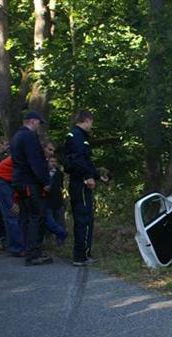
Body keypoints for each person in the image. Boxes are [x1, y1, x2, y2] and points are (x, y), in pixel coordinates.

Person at [64, 110, 107, 266]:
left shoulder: (78, 137)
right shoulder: (76, 136)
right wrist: (87, 177)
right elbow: (78, 160)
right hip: (80, 184)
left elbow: (85, 161)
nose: (91, 126)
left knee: (85, 217)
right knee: (84, 218)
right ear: (87, 120)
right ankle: (81, 255)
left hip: (81, 181)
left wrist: (96, 175)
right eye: (91, 122)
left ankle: (82, 253)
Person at [10, 111, 52, 266]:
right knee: (36, 216)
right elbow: (35, 161)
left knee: (26, 217)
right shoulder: (28, 137)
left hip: (19, 181)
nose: (38, 127)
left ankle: (29, 250)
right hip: (30, 182)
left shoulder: (16, 137)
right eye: (38, 123)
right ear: (33, 122)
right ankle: (34, 253)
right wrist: (45, 181)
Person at [0, 155, 25, 256]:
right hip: (3, 180)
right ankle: (17, 248)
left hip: (6, 180)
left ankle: (17, 245)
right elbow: (18, 180)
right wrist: (14, 200)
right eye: (49, 150)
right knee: (12, 214)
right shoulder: (26, 157)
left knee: (14, 216)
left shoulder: (28, 154)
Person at [44, 145, 67, 245]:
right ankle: (48, 238)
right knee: (49, 221)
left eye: (55, 162)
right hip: (47, 200)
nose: (53, 164)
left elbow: (61, 186)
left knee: (60, 220)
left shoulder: (59, 173)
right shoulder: (44, 172)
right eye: (51, 162)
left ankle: (60, 239)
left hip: (57, 199)